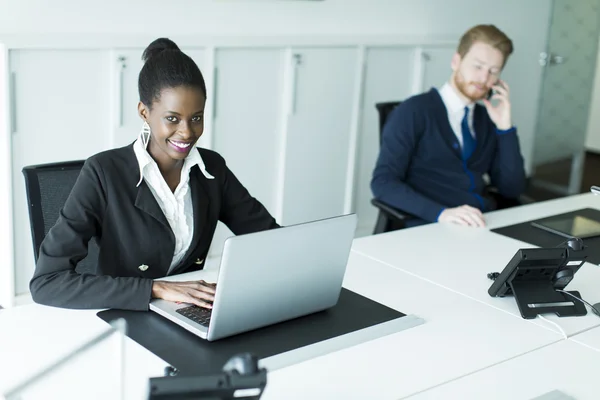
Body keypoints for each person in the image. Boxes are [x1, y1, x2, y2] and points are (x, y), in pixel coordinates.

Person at [30, 38, 279, 311]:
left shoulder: (212, 169)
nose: (187, 132)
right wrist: (156, 288)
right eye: (172, 118)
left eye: (196, 117)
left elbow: (269, 239)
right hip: (126, 313)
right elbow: (46, 282)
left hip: (189, 310)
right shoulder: (102, 172)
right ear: (144, 113)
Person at [371, 24, 527, 228]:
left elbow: (511, 188)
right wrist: (441, 214)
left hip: (480, 223)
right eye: (477, 66)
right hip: (431, 226)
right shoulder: (414, 111)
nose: (483, 78)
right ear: (456, 61)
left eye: (493, 71)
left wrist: (505, 129)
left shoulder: (486, 119)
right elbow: (383, 183)